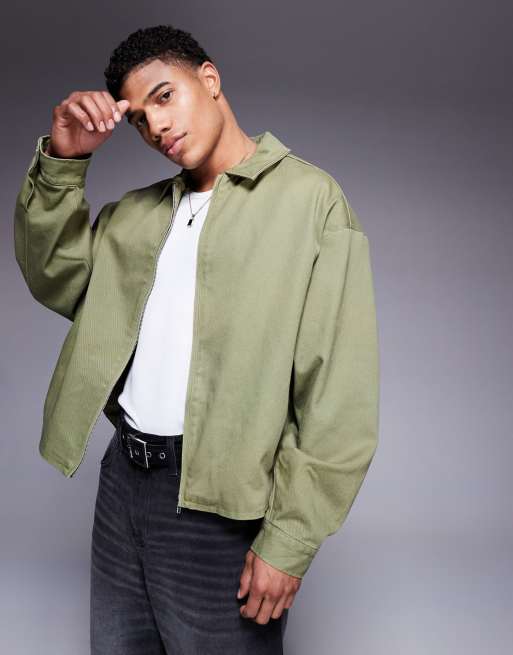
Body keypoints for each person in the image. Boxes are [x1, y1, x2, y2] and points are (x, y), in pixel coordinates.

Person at [13, 24, 380, 655]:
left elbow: (337, 393)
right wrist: (63, 163)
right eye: (139, 120)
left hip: (222, 503)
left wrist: (289, 540)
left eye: (164, 97)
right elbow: (55, 277)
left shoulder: (310, 201)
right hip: (123, 485)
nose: (156, 127)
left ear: (208, 80)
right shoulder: (135, 214)